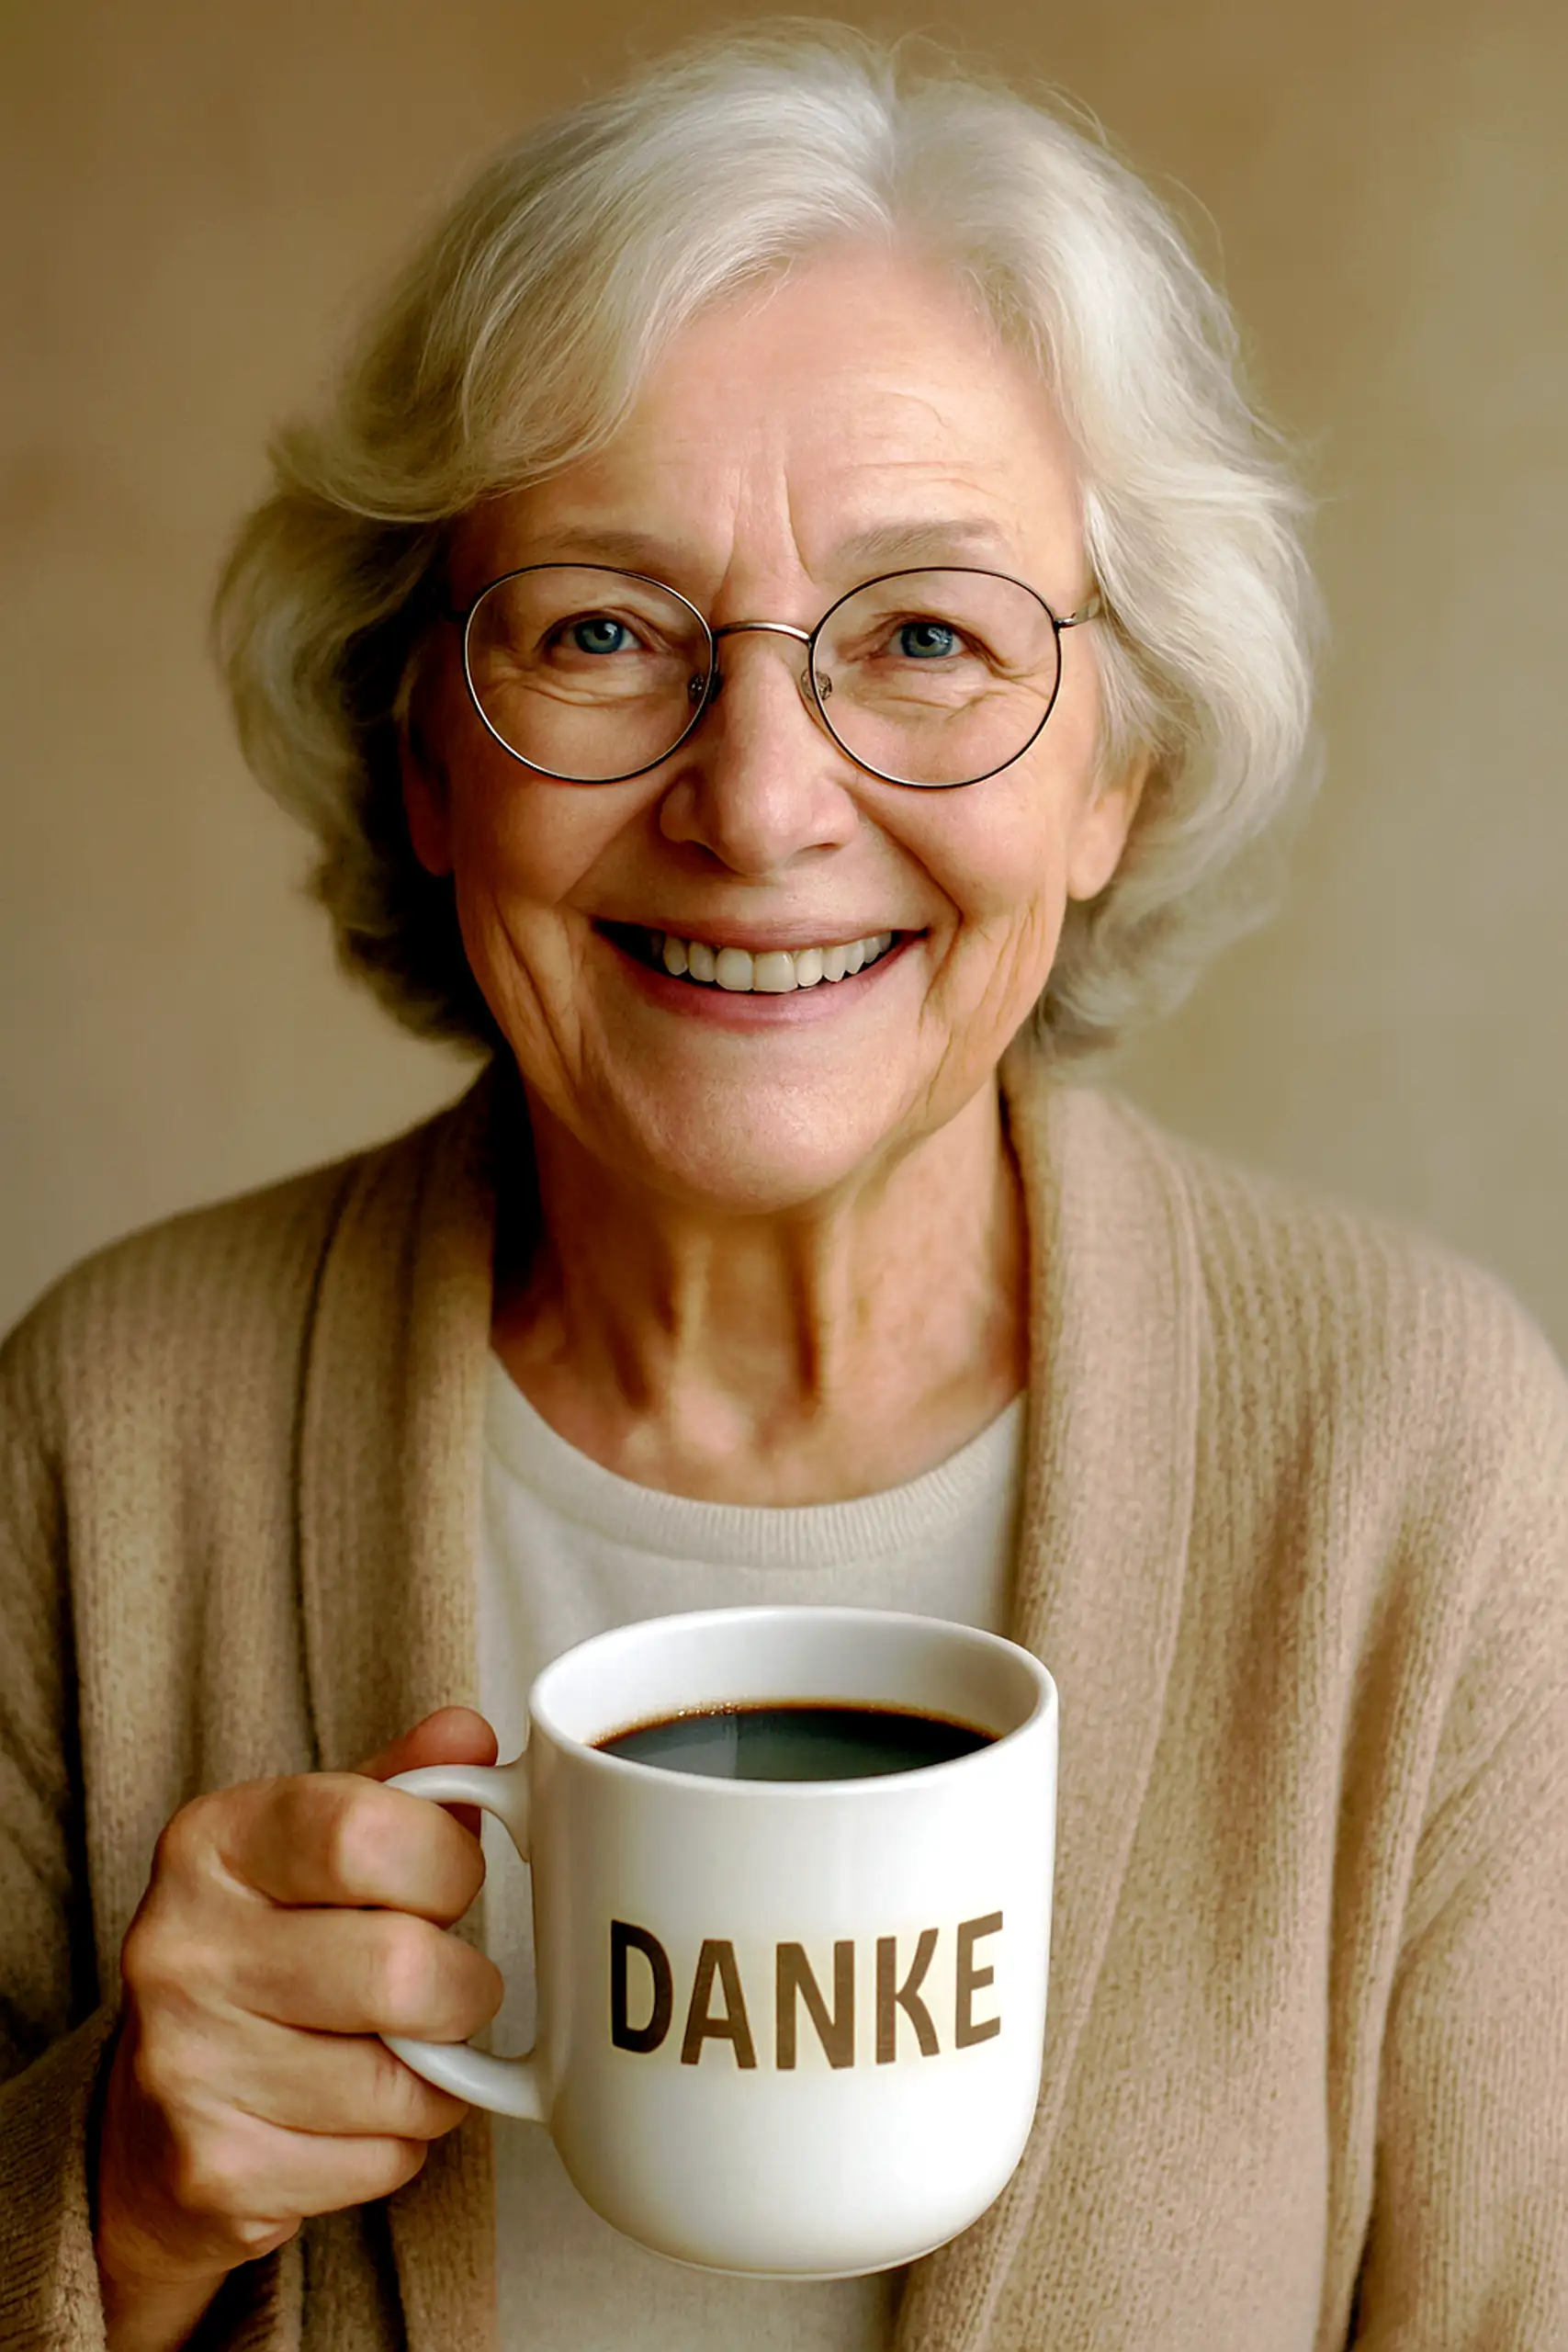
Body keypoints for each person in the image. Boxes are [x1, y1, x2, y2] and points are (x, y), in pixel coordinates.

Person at [3, 22, 1565, 2352]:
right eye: (602, 630)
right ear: (420, 743)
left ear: (1113, 776)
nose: (757, 800)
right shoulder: (111, 1427)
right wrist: (102, 2205)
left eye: (926, 636)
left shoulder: (1416, 1459)